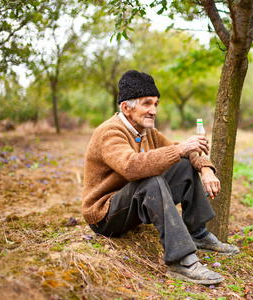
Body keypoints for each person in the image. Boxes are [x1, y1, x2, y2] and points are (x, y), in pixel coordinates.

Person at [82, 70, 238, 285]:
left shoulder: (147, 132)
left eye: (155, 104)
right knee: (151, 179)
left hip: (131, 206)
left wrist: (206, 169)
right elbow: (131, 167)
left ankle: (198, 233)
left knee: (183, 166)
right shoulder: (110, 132)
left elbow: (184, 152)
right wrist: (182, 148)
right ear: (126, 108)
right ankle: (181, 261)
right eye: (147, 104)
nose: (153, 111)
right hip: (105, 216)